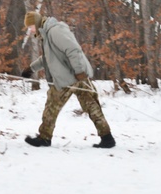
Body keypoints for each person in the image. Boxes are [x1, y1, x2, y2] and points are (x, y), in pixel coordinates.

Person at [21, 11, 115, 149]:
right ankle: (107, 138)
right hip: (75, 75)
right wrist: (31, 69)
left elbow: (73, 50)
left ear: (36, 23)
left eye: (30, 26)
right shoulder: (47, 34)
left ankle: (44, 138)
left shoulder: (54, 31)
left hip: (69, 77)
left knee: (51, 107)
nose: (30, 30)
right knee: (92, 105)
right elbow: (48, 58)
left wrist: (79, 72)